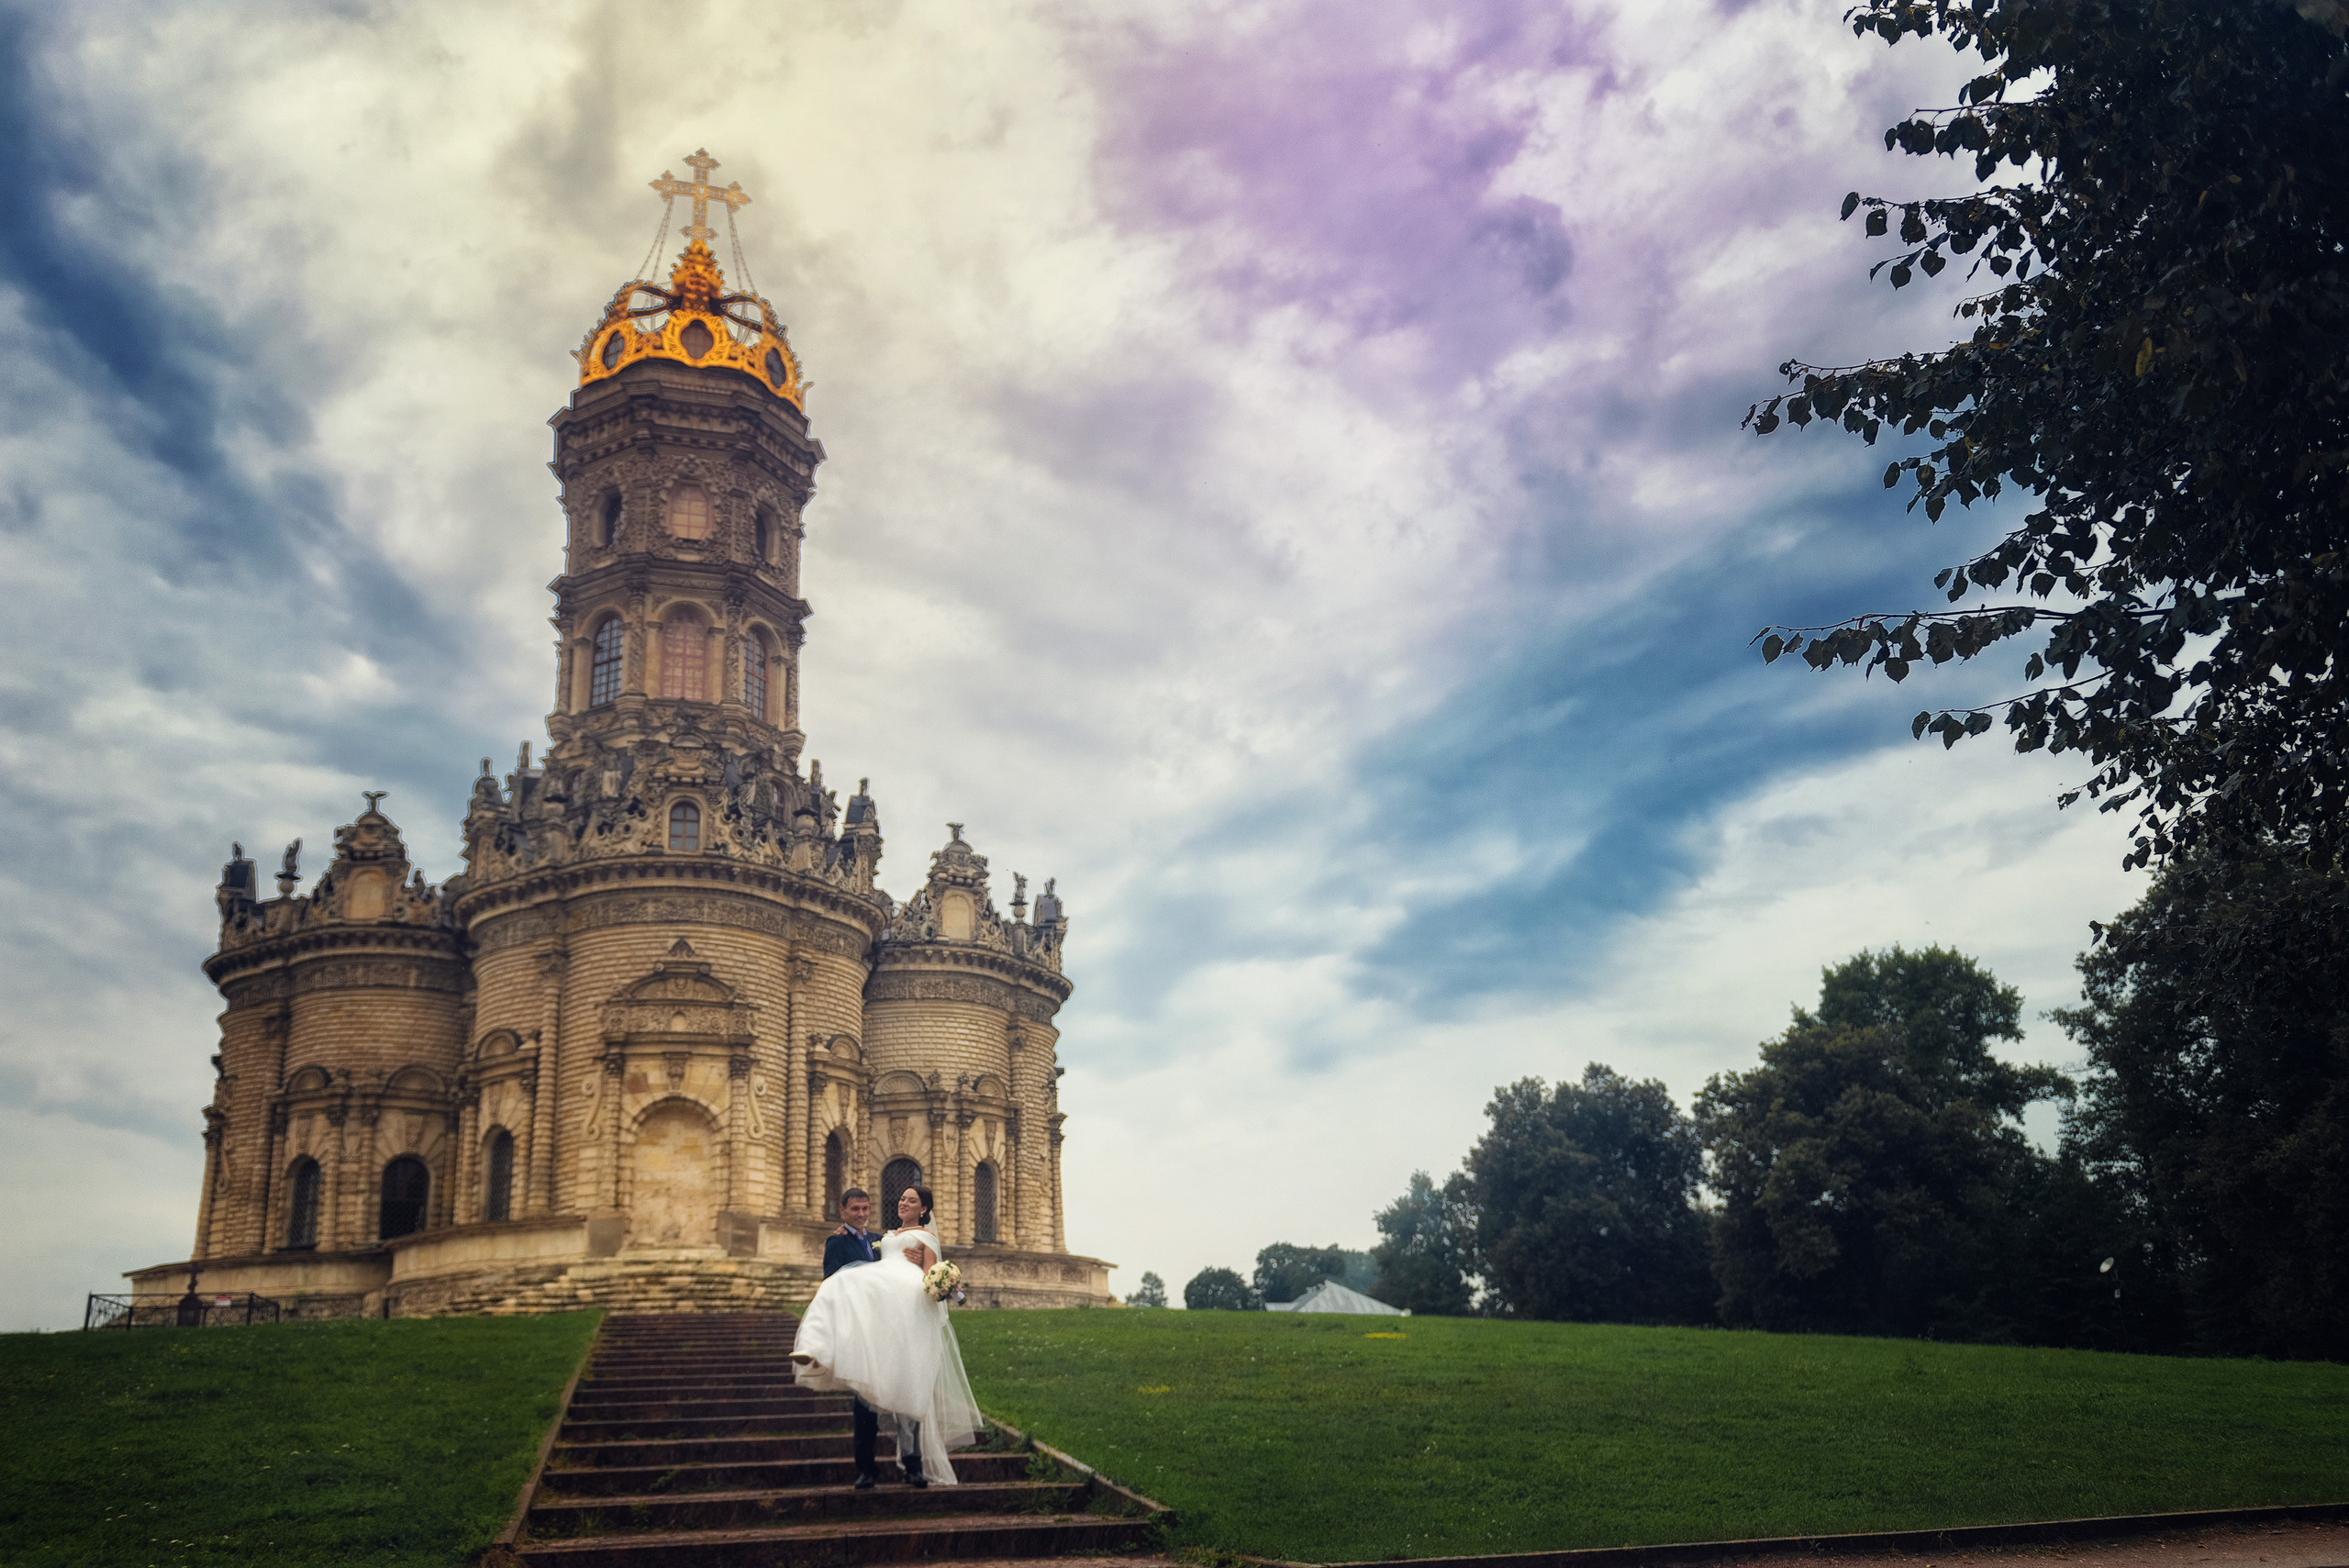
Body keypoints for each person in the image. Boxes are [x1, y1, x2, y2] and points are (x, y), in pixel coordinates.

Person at [793, 1183, 980, 1486]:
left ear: (924, 1209)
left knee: (909, 1384)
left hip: (909, 1313)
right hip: (880, 1318)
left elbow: (930, 1274)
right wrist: (842, 1232)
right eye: (902, 1198)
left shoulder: (923, 1237)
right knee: (865, 1387)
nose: (903, 1203)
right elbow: (873, 1266)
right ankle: (815, 1349)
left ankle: (913, 1464)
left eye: (911, 1200)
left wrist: (928, 1269)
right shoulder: (886, 1237)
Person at [818, 1187, 885, 1489]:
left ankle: (911, 1464)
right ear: (843, 1211)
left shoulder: (878, 1242)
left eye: (865, 1209)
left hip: (886, 1326)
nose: (860, 1214)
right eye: (855, 1209)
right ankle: (866, 1469)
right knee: (864, 1399)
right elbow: (832, 1282)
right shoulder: (837, 1241)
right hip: (859, 1328)